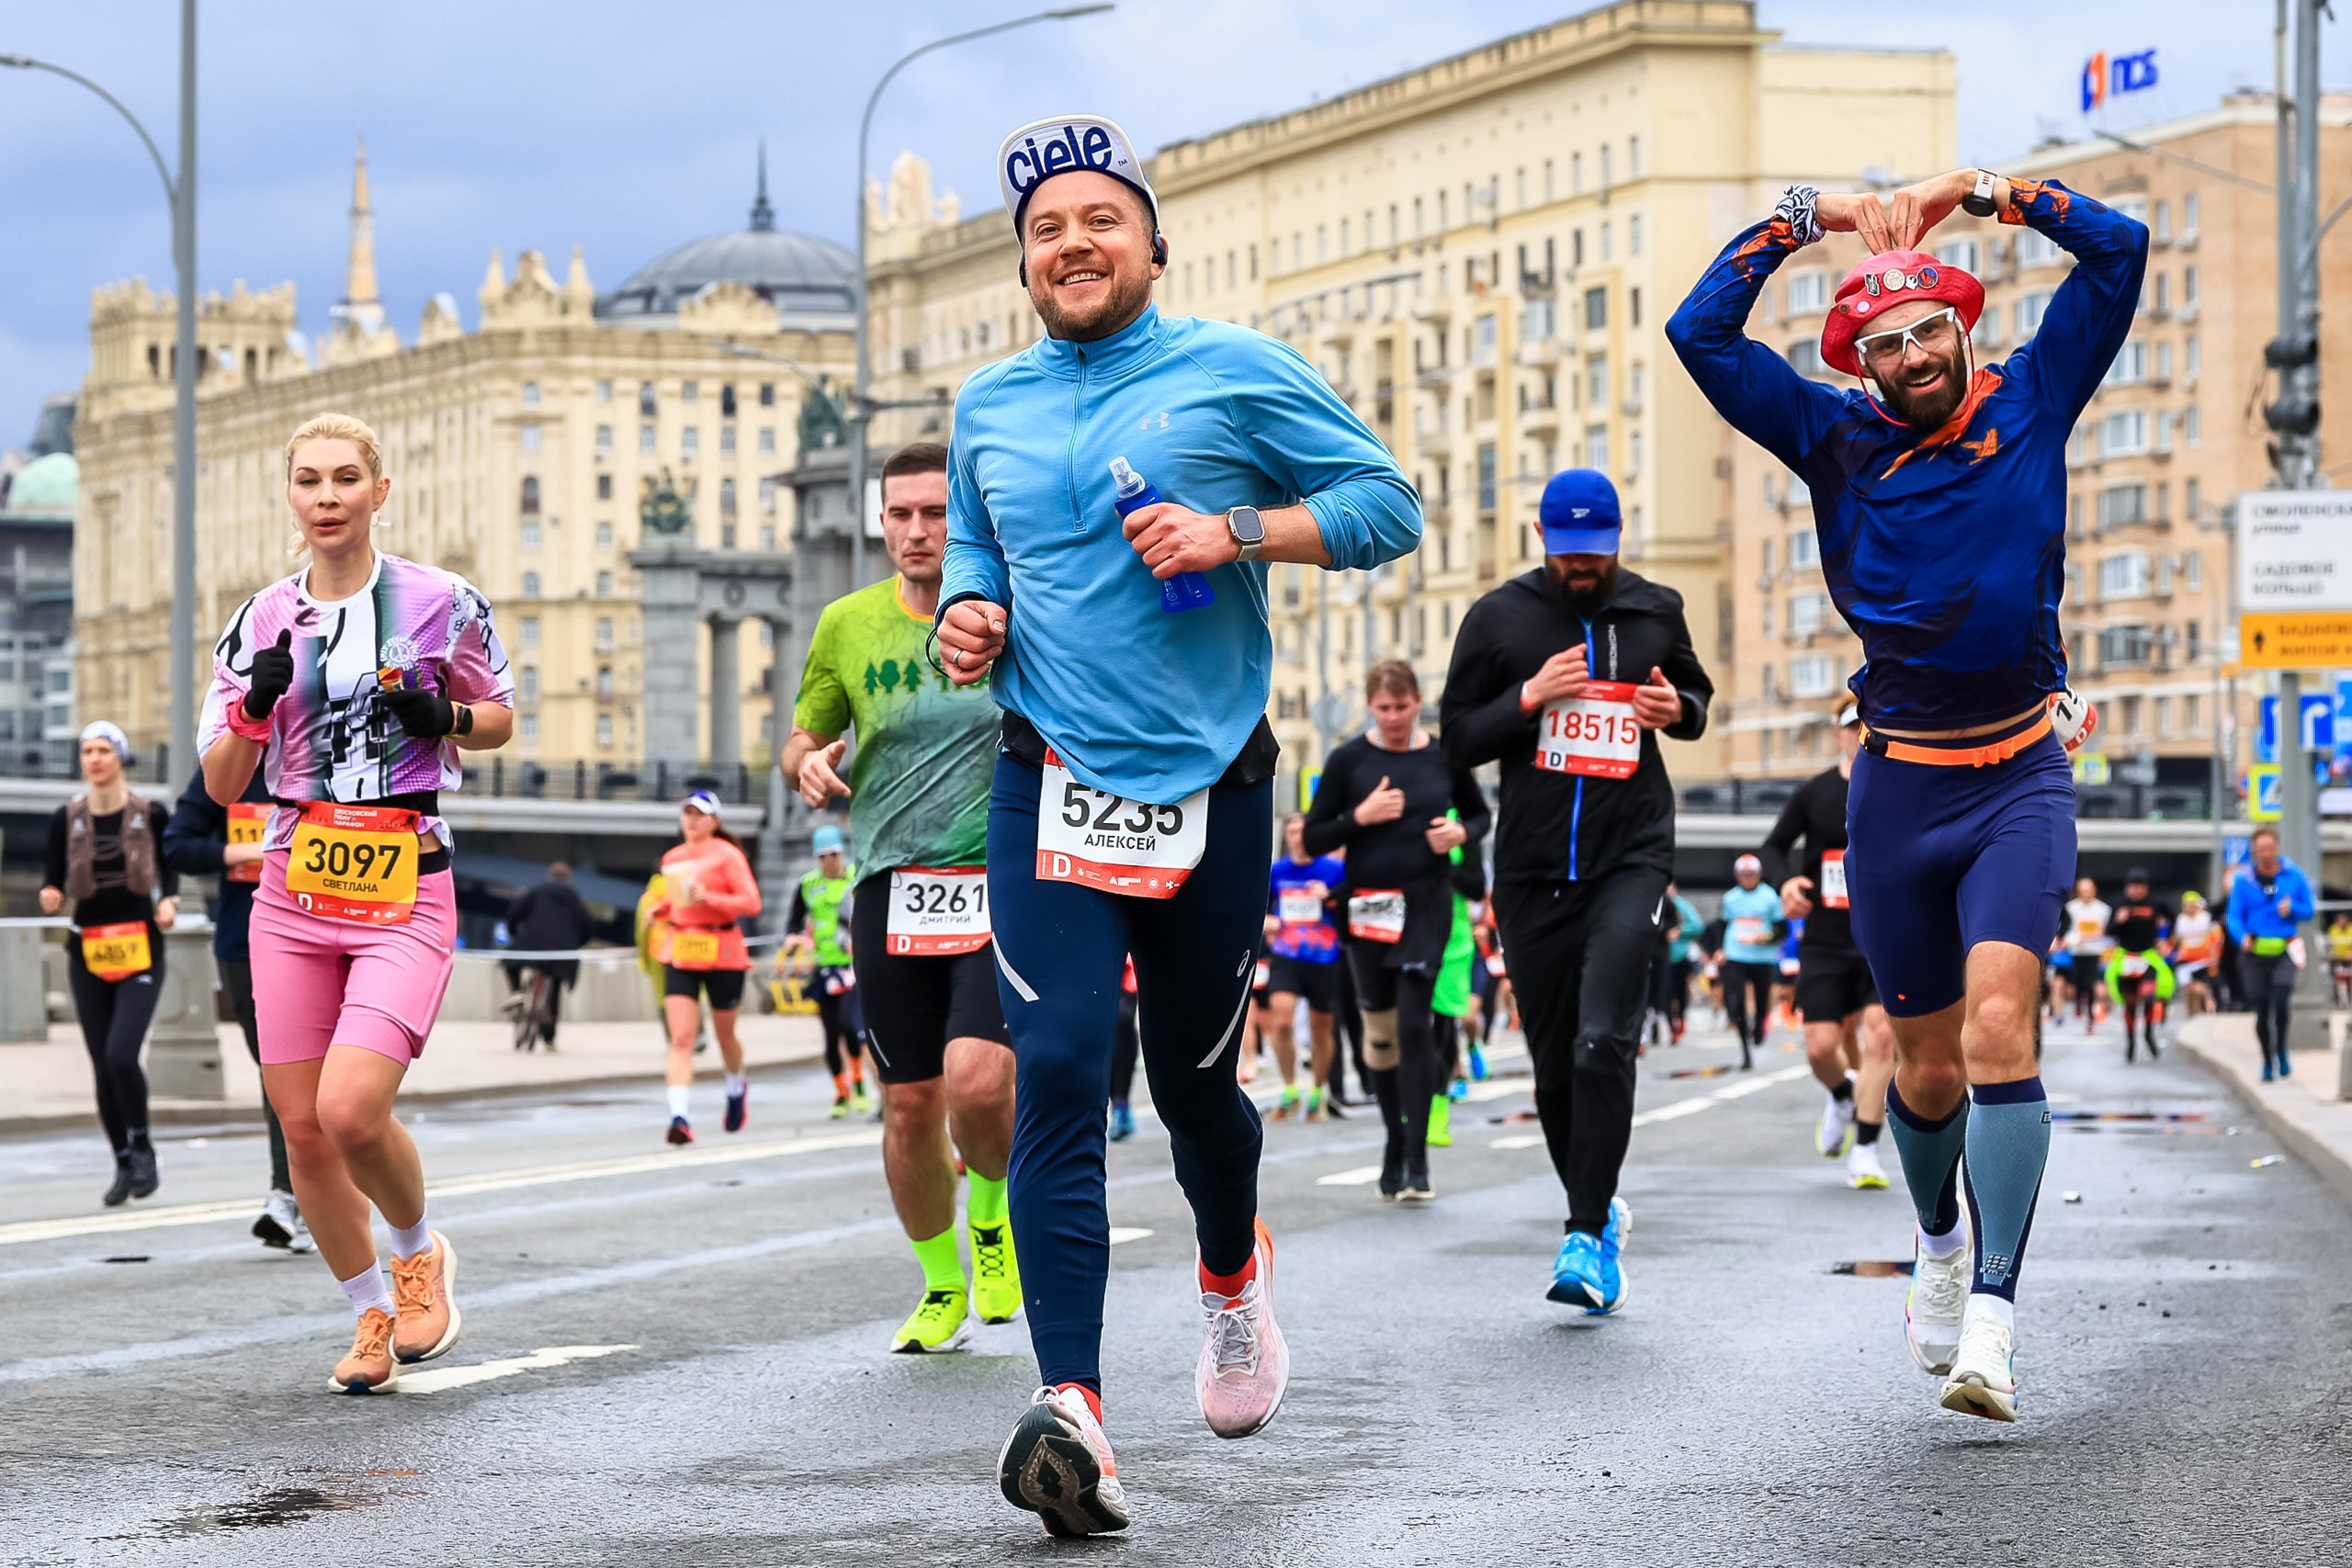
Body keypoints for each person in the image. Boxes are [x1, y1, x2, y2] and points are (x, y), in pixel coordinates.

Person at [934, 112, 1419, 1537]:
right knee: (1062, 1063)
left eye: (1099, 221)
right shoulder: (990, 407)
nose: (1071, 245)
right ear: (1022, 262)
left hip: (1212, 784)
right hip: (1048, 778)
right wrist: (969, 619)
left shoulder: (1234, 371)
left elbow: (1389, 504)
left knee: (1202, 1087)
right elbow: (977, 554)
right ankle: (1074, 1403)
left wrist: (1239, 533)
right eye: (1044, 230)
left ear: (1153, 241)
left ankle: (1227, 1273)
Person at [1669, 164, 2146, 1422]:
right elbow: (1698, 332)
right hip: (1897, 793)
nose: (1910, 353)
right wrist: (1806, 217)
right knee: (1924, 1070)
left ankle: (1992, 1310)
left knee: (2001, 1029)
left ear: (1962, 326)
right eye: (1882, 342)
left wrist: (1991, 191)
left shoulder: (2035, 394)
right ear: (1860, 361)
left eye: (1927, 327)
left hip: (2020, 777)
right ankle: (1936, 1239)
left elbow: (2120, 249)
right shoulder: (1834, 437)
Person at [199, 411, 514, 1393]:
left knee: (350, 1109)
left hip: (403, 876)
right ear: (289, 497)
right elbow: (219, 782)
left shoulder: (441, 600)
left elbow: (500, 713)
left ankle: (421, 1256)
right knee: (300, 1131)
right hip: (294, 883)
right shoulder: (258, 621)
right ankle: (368, 1313)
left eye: (345, 479)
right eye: (308, 481)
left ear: (379, 491)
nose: (326, 498)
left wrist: (447, 717)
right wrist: (255, 706)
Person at [1439, 467, 1713, 1315]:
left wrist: (1680, 709)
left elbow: (1697, 696)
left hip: (1632, 854)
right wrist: (1528, 696)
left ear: (1619, 540)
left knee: (1603, 1040)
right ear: (1541, 539)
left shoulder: (1656, 608)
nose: (1583, 566)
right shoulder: (1499, 618)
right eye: (1568, 552)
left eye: (1596, 552)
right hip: (1528, 869)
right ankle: (1594, 1208)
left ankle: (1587, 1231)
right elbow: (1455, 739)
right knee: (1555, 1069)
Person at [783, 439, 1023, 1354]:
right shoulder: (848, 624)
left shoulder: (1010, 610)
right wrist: (805, 762)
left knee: (979, 1077)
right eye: (901, 515)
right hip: (891, 883)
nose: (918, 532)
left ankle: (992, 1219)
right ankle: (939, 1283)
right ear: (881, 523)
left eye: (937, 513)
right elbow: (802, 737)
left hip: (999, 882)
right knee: (912, 1104)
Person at [1302, 662, 1487, 1198]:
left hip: (1428, 903)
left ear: (1416, 702)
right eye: (1383, 709)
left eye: (1402, 708)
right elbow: (1313, 840)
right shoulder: (1349, 759)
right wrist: (1360, 816)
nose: (1394, 718)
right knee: (1379, 1038)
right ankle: (1392, 1135)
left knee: (1414, 1025)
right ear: (1369, 707)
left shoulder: (1444, 756)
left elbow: (1480, 817)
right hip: (1369, 908)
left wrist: (1458, 830)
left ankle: (1417, 1156)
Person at [163, 756, 311, 1248]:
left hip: (324, 939)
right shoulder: (230, 766)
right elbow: (177, 844)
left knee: (316, 1077)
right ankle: (295, 1194)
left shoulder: (332, 749)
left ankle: (296, 1193)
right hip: (243, 942)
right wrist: (239, 851)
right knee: (278, 1070)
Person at [41, 720, 178, 1208]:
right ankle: (122, 1159)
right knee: (102, 1065)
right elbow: (52, 876)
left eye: (103, 750)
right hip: (87, 949)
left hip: (140, 945)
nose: (95, 759)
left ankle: (141, 1143)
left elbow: (171, 863)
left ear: (120, 757)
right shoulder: (67, 817)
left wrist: (171, 900)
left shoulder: (150, 812)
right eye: (87, 751)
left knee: (123, 1053)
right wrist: (51, 893)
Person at [1758, 701, 1894, 1190]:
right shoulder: (1815, 793)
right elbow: (1772, 847)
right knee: (1820, 1047)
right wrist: (1786, 883)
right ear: (1840, 736)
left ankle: (1865, 1149)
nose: (1861, 735)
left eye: (1869, 727)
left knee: (1882, 1037)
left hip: (1886, 936)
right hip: (1825, 939)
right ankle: (1841, 1094)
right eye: (1852, 727)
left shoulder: (1902, 788)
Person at [654, 793, 761, 1141]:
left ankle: (734, 1086)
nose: (692, 820)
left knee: (724, 1036)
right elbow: (678, 900)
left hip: (722, 951)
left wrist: (711, 898)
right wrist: (664, 909)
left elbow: (751, 903)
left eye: (700, 815)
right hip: (682, 948)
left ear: (714, 821)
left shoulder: (728, 856)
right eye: (687, 814)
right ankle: (679, 1118)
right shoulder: (672, 858)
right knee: (681, 1038)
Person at [1263, 813, 1346, 1122]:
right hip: (1286, 953)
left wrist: (1331, 895)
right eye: (1292, 831)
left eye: (1303, 831)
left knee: (1320, 1028)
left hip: (1325, 957)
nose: (1298, 837)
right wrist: (1266, 921)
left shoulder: (1334, 869)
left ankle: (1318, 1090)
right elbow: (1264, 904)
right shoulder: (1277, 870)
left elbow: (1352, 897)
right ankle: (1289, 1088)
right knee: (1281, 1020)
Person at [786, 825, 869, 1118]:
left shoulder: (856, 877)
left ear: (842, 853)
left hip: (851, 967)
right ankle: (841, 1092)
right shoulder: (808, 884)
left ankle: (859, 1083)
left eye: (833, 854)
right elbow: (794, 921)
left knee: (850, 1026)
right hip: (822, 966)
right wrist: (795, 939)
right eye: (822, 856)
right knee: (830, 1033)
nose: (829, 861)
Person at [2225, 827, 2314, 1081]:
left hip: (2285, 946)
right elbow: (2234, 917)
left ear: (2277, 847)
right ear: (2254, 850)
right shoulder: (2243, 880)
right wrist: (2242, 937)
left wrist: (2293, 908)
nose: (2266, 853)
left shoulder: (2294, 875)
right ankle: (2267, 1060)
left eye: (2270, 848)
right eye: (2261, 849)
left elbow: (2309, 909)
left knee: (2281, 996)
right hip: (2254, 950)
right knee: (2262, 1008)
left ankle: (2282, 1049)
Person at [503, 862, 593, 1049]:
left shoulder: (537, 892)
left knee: (509, 962)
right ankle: (550, 1038)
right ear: (569, 879)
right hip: (561, 953)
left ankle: (518, 993)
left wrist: (514, 933)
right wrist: (575, 945)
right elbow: (588, 927)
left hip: (531, 947)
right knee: (555, 991)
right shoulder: (574, 899)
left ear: (550, 876)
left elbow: (514, 914)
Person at [1716, 854, 1783, 1070]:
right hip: (1735, 954)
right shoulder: (1730, 898)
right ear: (1737, 875)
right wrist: (1718, 949)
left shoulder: (1770, 897)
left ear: (1759, 875)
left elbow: (1782, 929)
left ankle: (1760, 1023)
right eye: (1743, 875)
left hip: (1762, 957)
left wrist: (1769, 937)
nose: (1747, 879)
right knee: (1735, 1002)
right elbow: (1721, 926)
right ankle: (1745, 1051)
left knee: (1762, 1001)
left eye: (1751, 874)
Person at [2103, 870, 2174, 1064]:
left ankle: (2149, 1033)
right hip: (2126, 959)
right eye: (2131, 887)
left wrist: (2166, 940)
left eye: (2139, 887)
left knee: (2150, 997)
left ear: (2145, 888)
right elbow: (2108, 931)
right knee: (2131, 1005)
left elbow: (2172, 918)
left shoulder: (2155, 904)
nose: (2134, 891)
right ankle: (2131, 1041)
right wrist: (2119, 921)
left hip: (2148, 958)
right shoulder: (2119, 904)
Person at [2060, 877, 2112, 1031]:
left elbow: (2103, 931)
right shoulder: (2071, 908)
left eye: (2088, 890)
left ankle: (2090, 1015)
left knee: (2090, 983)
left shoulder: (2103, 910)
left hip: (2094, 950)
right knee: (2078, 982)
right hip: (2077, 950)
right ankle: (2078, 1002)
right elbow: (2068, 930)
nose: (2086, 894)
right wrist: (2074, 940)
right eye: (2082, 890)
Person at [2324, 907, 2352, 1010]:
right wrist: (2332, 955)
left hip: (2350, 960)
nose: (2341, 921)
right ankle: (2338, 1002)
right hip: (2337, 960)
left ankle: (2349, 1001)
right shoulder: (2333, 929)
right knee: (2337, 981)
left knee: (2349, 981)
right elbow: (2329, 945)